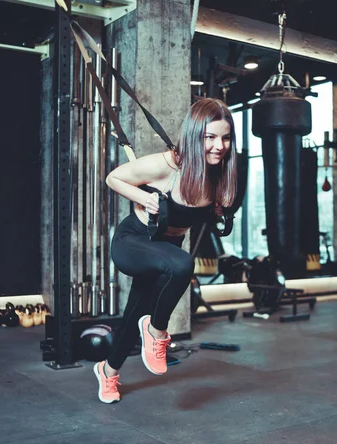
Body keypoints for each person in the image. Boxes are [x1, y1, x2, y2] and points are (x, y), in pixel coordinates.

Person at [93, 98, 238, 403]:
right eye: (210, 137)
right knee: (183, 265)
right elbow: (113, 178)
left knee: (134, 313)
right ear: (195, 134)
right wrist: (144, 199)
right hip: (134, 243)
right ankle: (157, 331)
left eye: (225, 138)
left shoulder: (216, 176)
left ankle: (108, 372)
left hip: (165, 253)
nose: (219, 146)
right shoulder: (167, 165)